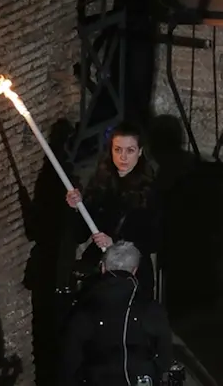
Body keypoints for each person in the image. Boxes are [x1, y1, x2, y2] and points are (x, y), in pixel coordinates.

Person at [65, 122, 160, 301]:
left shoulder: (150, 190)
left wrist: (116, 243)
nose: (123, 157)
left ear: (140, 151)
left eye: (130, 150)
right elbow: (79, 234)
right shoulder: (100, 183)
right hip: (98, 272)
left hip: (133, 272)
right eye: (118, 150)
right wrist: (76, 208)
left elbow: (155, 240)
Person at [58, 241, 172, 386]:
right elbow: (165, 355)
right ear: (134, 270)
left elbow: (70, 358)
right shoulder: (150, 308)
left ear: (103, 268)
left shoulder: (85, 308)